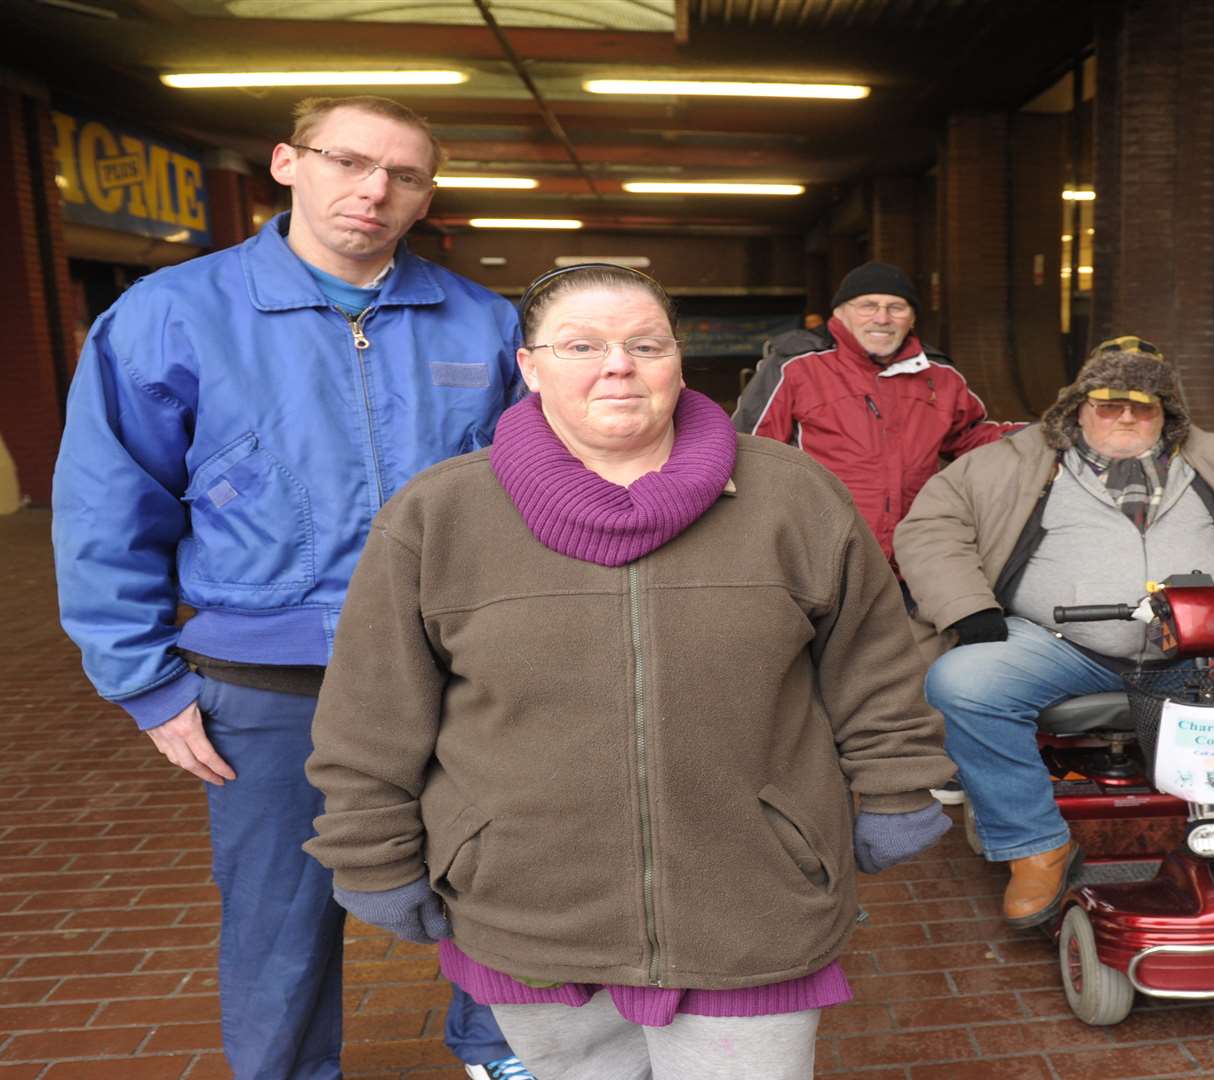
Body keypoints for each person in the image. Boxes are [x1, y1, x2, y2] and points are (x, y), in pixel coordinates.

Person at [302, 264, 954, 1080]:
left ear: (679, 362)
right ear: (529, 367)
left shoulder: (794, 499)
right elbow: (372, 711)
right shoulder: (438, 517)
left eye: (645, 344)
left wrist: (896, 785)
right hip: (528, 906)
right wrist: (370, 853)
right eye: (582, 345)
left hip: (752, 904)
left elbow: (874, 665)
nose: (619, 364)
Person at [50, 96, 530, 1080]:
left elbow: (533, 492)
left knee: (496, 875)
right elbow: (107, 505)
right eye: (348, 162)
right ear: (286, 162)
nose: (374, 192)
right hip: (270, 680)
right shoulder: (171, 315)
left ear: (427, 194)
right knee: (279, 915)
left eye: (405, 176)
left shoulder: (482, 322)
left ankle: (501, 1053)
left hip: (457, 667)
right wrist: (145, 680)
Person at [894, 337, 1214, 929]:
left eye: (1144, 406)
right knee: (963, 681)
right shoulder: (1015, 460)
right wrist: (969, 611)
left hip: (1204, 649)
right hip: (1057, 646)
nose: (1127, 417)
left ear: (1167, 413)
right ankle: (1035, 845)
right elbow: (932, 527)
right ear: (1078, 407)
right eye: (1109, 404)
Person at [732, 260, 1016, 565]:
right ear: (840, 313)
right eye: (868, 305)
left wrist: (1039, 435)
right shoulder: (798, 365)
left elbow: (970, 436)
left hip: (913, 555)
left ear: (912, 318)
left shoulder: (939, 374)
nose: (882, 318)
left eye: (897, 308)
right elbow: (750, 449)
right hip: (823, 552)